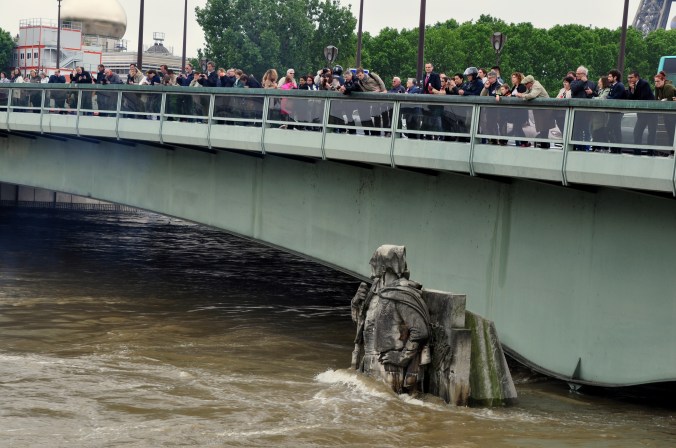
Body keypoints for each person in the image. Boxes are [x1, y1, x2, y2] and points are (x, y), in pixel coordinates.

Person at [350, 245, 430, 395]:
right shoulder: (376, 292)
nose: (371, 265)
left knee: (388, 410)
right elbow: (365, 327)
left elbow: (420, 331)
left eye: (374, 261)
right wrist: (356, 303)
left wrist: (401, 358)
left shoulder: (402, 294)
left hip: (389, 369)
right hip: (368, 364)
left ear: (383, 266)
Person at [515, 75, 554, 148]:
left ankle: (544, 146)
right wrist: (523, 94)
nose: (525, 86)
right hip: (541, 111)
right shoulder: (531, 86)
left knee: (544, 129)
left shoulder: (536, 86)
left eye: (526, 84)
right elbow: (527, 93)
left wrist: (522, 96)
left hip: (545, 111)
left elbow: (532, 95)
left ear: (530, 83)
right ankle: (543, 145)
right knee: (542, 129)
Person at [626, 70, 656, 154]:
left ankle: (650, 152)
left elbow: (642, 98)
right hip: (642, 114)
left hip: (651, 113)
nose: (629, 79)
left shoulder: (644, 84)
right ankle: (637, 152)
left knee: (651, 133)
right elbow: (630, 99)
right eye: (628, 77)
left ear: (637, 77)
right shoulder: (632, 86)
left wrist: (634, 90)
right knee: (637, 132)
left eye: (631, 77)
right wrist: (632, 90)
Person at [654, 70, 676, 150]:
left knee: (672, 134)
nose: (656, 83)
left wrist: (662, 100)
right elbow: (656, 101)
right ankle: (672, 152)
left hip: (672, 115)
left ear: (663, 80)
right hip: (667, 116)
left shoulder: (668, 87)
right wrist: (662, 100)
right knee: (670, 134)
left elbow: (668, 102)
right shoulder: (658, 88)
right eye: (655, 81)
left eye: (658, 81)